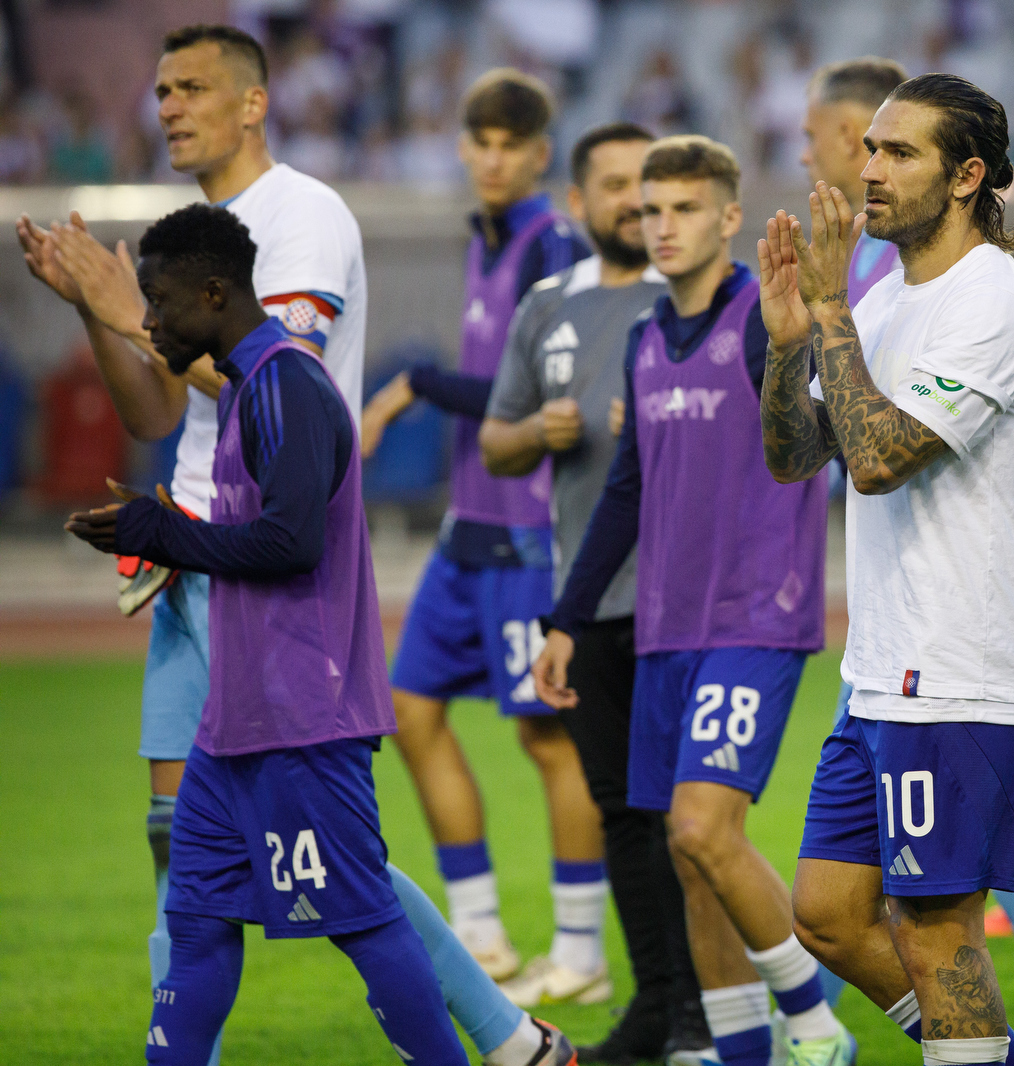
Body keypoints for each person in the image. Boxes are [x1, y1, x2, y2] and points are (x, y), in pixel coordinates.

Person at [15, 27, 562, 1066]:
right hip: (184, 563)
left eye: (190, 88)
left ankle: (498, 1035)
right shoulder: (198, 231)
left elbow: (275, 383)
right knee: (184, 841)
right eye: (161, 87)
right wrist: (100, 309)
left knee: (327, 847)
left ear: (255, 102)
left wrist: (129, 305)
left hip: (261, 577)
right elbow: (153, 404)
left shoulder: (298, 216)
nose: (166, 105)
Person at [66, 203, 471, 1066]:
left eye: (159, 299)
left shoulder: (287, 381)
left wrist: (161, 533)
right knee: (198, 919)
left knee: (361, 920)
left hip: (305, 716)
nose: (148, 321)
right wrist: (160, 528)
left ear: (214, 292)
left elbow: (292, 543)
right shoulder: (253, 389)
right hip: (236, 717)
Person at [802, 56, 1014, 1066]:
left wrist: (824, 316)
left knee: (938, 935)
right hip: (876, 674)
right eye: (869, 149)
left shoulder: (995, 301)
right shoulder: (889, 301)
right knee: (827, 915)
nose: (872, 170)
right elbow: (791, 454)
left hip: (955, 675)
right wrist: (784, 340)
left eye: (898, 152)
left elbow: (880, 458)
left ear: (966, 175)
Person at [531, 135, 851, 1066]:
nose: (658, 225)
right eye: (648, 210)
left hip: (755, 613)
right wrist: (567, 618)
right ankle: (738, 1051)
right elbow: (626, 490)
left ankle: (817, 1025)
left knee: (704, 828)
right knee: (690, 856)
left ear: (727, 217)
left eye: (680, 208)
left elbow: (812, 436)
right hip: (665, 627)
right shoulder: (641, 342)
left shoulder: (761, 319)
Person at [360, 69, 606, 996]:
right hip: (469, 530)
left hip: (527, 536)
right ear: (464, 150)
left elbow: (542, 397)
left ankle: (579, 952)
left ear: (541, 155)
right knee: (412, 712)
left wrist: (414, 383)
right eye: (482, 142)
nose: (495, 158)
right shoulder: (487, 242)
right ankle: (482, 936)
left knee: (548, 739)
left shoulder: (552, 248)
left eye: (513, 144)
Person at [479, 122, 713, 1064]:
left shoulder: (696, 301)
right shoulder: (547, 304)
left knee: (694, 823)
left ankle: (729, 1007)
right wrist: (541, 427)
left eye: (651, 189)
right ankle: (661, 1004)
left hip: (688, 606)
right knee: (622, 815)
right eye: (617, 187)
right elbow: (496, 441)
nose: (634, 204)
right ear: (578, 203)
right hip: (589, 597)